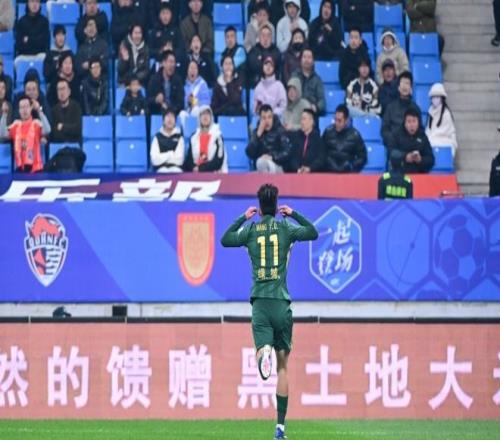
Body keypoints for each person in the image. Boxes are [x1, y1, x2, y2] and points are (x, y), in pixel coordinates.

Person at [220, 182, 318, 440]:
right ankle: (280, 428)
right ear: (276, 206)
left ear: (259, 207)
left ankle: (263, 352)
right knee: (283, 367)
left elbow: (225, 239)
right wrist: (294, 213)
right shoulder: (285, 227)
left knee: (262, 348)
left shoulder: (251, 231)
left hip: (260, 304)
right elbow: (313, 232)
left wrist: (243, 217)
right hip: (281, 304)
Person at [0, 95, 51, 173]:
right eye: (22, 107)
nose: (24, 110)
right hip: (20, 169)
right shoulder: (16, 125)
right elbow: (2, 134)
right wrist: (4, 114)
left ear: (31, 108)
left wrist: (39, 110)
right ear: (19, 110)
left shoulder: (36, 123)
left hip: (36, 169)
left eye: (26, 106)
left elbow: (47, 130)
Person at [246, 104, 292, 173]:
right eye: (264, 118)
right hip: (261, 167)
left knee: (261, 162)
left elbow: (287, 152)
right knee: (250, 175)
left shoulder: (280, 131)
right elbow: (249, 153)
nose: (267, 121)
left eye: (269, 117)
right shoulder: (257, 132)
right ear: (260, 119)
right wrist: (257, 136)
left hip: (277, 165)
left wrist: (272, 157)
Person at [323, 104, 367, 172]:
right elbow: (321, 152)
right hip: (329, 171)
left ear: (346, 120)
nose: (336, 123)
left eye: (339, 120)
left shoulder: (355, 135)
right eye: (335, 120)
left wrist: (351, 165)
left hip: (347, 173)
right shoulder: (328, 132)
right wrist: (328, 162)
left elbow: (363, 157)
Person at [389, 106, 435, 173]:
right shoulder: (397, 135)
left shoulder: (423, 137)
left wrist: (420, 160)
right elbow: (392, 153)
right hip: (401, 174)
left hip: (419, 175)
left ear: (418, 122)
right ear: (404, 123)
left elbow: (431, 159)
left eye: (414, 121)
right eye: (409, 121)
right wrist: (405, 157)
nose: (412, 125)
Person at [382, 71, 421, 148]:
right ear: (398, 87)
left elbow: (420, 130)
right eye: (402, 83)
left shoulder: (415, 108)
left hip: (411, 145)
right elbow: (385, 129)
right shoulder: (390, 107)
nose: (404, 87)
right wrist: (392, 140)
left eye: (407, 83)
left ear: (411, 88)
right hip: (395, 146)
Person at [184, 105, 227, 173]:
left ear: (211, 117)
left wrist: (201, 169)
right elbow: (189, 159)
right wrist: (194, 167)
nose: (205, 116)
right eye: (203, 114)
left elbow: (219, 160)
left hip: (213, 173)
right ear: (199, 118)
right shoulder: (193, 137)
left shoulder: (218, 136)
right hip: (196, 173)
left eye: (207, 114)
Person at [147, 50, 184, 115]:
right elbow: (148, 100)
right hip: (158, 112)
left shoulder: (177, 80)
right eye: (170, 62)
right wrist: (156, 100)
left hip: (174, 113)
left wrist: (170, 109)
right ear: (163, 63)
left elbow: (180, 103)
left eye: (174, 62)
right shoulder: (154, 79)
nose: (173, 65)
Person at [425, 83, 457, 156]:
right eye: (433, 97)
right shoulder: (430, 112)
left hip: (444, 142)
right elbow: (428, 130)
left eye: (437, 97)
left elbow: (447, 132)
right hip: (432, 142)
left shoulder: (446, 113)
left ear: (442, 98)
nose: (435, 99)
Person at [291, 49, 326, 116]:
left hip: (311, 112)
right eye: (304, 57)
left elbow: (322, 101)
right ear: (300, 60)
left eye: (309, 57)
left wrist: (315, 107)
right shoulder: (294, 76)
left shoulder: (317, 79)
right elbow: (291, 95)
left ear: (313, 62)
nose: (306, 60)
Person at [15, 0, 50, 65]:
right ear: (28, 3)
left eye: (37, 2)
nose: (35, 4)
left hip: (39, 55)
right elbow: (19, 45)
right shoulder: (21, 21)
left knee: (45, 58)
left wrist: (28, 39)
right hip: (24, 56)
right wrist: (37, 39)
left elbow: (44, 43)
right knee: (17, 61)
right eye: (32, 1)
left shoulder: (44, 21)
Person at [247, 23, 281, 88]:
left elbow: (275, 67)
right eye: (263, 35)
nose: (265, 38)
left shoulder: (276, 51)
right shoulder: (253, 50)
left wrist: (261, 58)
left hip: (273, 85)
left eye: (268, 36)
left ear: (271, 38)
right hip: (256, 84)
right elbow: (254, 66)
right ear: (259, 37)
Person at [150, 108, 185, 172]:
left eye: (172, 117)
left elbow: (180, 160)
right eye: (168, 116)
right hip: (160, 169)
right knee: (163, 171)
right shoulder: (157, 137)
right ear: (163, 121)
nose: (170, 119)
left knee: (176, 171)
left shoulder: (179, 137)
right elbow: (154, 160)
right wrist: (170, 154)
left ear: (175, 121)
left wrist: (162, 157)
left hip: (176, 169)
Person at [51, 79, 82, 144]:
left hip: (74, 144)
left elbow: (78, 129)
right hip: (59, 145)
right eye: (59, 89)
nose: (61, 92)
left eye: (63, 89)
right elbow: (54, 133)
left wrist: (63, 127)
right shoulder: (54, 110)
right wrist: (69, 129)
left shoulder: (76, 107)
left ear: (69, 91)